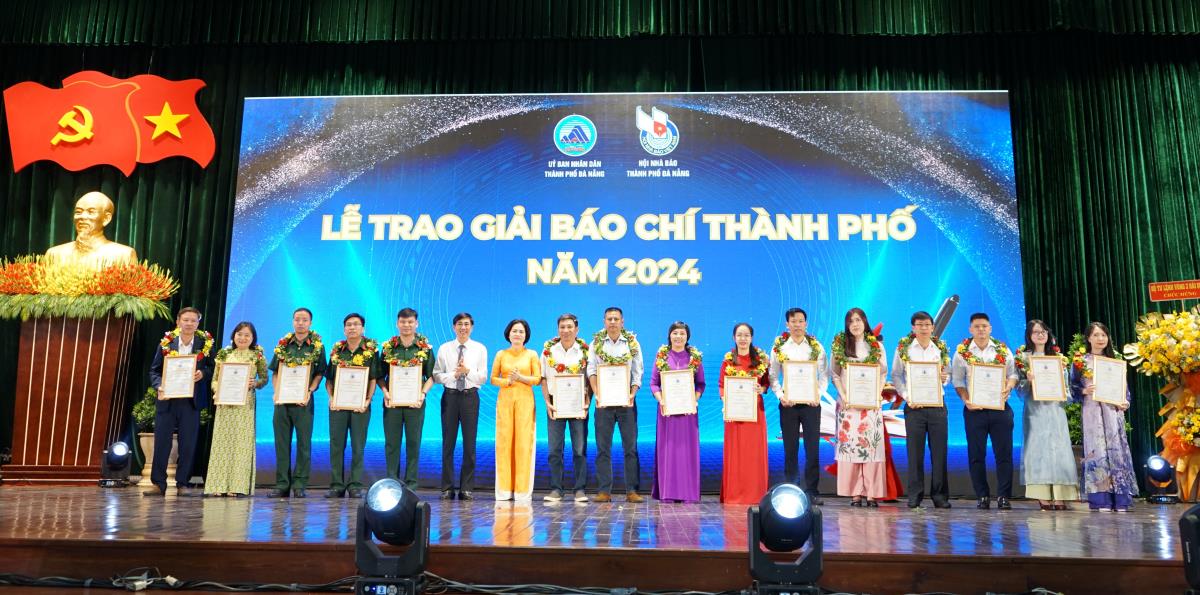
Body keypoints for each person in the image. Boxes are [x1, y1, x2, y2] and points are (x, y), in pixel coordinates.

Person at [144, 306, 215, 497]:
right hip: (167, 399)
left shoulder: (204, 344)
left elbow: (212, 368)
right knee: (162, 443)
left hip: (191, 401)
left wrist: (203, 373)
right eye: (186, 320)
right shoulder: (166, 343)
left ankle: (183, 483)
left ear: (198, 323)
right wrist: (159, 385)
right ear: (178, 322)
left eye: (193, 320)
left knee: (188, 444)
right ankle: (158, 483)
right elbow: (154, 370)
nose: (189, 323)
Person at [951, 312, 1018, 510]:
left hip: (1000, 408)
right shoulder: (961, 352)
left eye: (984, 326)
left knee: (1004, 454)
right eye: (977, 326)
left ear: (990, 328)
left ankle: (1004, 496)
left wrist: (1009, 387)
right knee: (976, 455)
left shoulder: (1002, 350)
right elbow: (958, 381)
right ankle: (982, 495)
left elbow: (1013, 374)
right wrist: (966, 400)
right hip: (974, 410)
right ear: (970, 329)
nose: (981, 329)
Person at [1071, 321, 1137, 512]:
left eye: (1103, 335)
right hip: (1092, 412)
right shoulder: (1081, 361)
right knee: (1097, 451)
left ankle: (1121, 499)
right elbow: (1072, 388)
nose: (1100, 339)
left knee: (1117, 451)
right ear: (1088, 338)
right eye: (1096, 335)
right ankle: (1101, 499)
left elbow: (1124, 390)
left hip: (1112, 412)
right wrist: (1084, 390)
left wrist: (1125, 402)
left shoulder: (1114, 361)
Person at [890, 311, 951, 510]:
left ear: (932, 327)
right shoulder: (904, 349)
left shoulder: (940, 349)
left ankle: (940, 496)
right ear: (913, 328)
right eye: (919, 324)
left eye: (927, 325)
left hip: (937, 406)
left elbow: (947, 375)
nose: (923, 328)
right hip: (914, 407)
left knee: (939, 453)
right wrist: (907, 396)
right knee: (915, 453)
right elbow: (896, 375)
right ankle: (915, 496)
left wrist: (945, 379)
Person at [1016, 320, 1079, 511]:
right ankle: (1042, 495)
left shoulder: (1058, 358)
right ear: (1029, 336)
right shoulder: (1023, 359)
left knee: (1059, 450)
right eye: (1035, 332)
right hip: (1035, 411)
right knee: (1037, 450)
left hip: (1055, 409)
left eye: (1043, 331)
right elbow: (1019, 391)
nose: (1040, 335)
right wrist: (1027, 381)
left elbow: (1067, 390)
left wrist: (1063, 392)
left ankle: (1061, 496)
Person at [768, 307, 827, 503]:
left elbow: (824, 375)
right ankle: (792, 490)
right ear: (787, 324)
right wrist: (780, 395)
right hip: (789, 405)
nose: (797, 325)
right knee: (790, 449)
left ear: (806, 323)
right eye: (793, 321)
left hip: (811, 404)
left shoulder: (816, 347)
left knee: (812, 449)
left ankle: (812, 492)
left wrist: (818, 395)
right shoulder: (779, 347)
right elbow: (773, 376)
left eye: (801, 321)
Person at [831, 308, 888, 507]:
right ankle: (854, 493)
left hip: (870, 405)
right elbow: (835, 374)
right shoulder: (840, 346)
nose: (855, 324)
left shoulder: (876, 346)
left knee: (871, 446)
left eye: (858, 320)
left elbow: (882, 373)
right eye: (851, 321)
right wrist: (844, 395)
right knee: (851, 446)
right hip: (847, 405)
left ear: (865, 322)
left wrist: (877, 394)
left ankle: (872, 493)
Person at [587, 307, 645, 503]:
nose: (612, 322)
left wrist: (632, 394)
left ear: (622, 322)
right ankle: (604, 491)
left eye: (616, 319)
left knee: (630, 448)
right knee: (603, 448)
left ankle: (632, 491)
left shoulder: (632, 342)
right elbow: (591, 370)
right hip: (603, 402)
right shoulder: (595, 343)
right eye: (609, 319)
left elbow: (637, 371)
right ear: (604, 321)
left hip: (626, 401)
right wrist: (597, 394)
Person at [205, 322, 269, 497]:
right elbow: (214, 380)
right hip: (225, 404)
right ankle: (218, 485)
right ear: (233, 336)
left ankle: (237, 485)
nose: (243, 338)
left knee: (241, 444)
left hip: (245, 404)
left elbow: (264, 379)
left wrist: (255, 383)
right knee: (222, 443)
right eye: (239, 334)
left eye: (247, 335)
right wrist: (218, 390)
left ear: (253, 338)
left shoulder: (257, 356)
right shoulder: (224, 354)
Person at [268, 307, 326, 498]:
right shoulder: (283, 344)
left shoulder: (317, 346)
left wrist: (310, 391)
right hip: (282, 401)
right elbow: (276, 372)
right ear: (293, 321)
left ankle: (300, 484)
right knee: (281, 443)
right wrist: (276, 392)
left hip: (303, 401)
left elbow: (320, 373)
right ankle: (282, 484)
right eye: (297, 319)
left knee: (304, 444)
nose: (300, 323)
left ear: (310, 323)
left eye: (304, 320)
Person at [434, 312, 488, 500]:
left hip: (469, 397)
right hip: (450, 397)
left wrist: (467, 371)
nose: (463, 327)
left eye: (466, 324)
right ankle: (447, 487)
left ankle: (467, 488)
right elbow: (436, 375)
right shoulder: (444, 348)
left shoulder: (480, 348)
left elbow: (482, 377)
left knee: (469, 444)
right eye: (459, 324)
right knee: (448, 443)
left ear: (471, 327)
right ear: (453, 327)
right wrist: (453, 375)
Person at [379, 308, 435, 490]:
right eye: (403, 322)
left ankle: (411, 483)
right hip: (392, 403)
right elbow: (379, 375)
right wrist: (385, 392)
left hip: (415, 403)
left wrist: (423, 393)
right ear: (397, 323)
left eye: (410, 322)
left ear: (416, 324)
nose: (406, 325)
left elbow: (432, 376)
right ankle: (392, 482)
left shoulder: (425, 348)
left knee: (413, 442)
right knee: (391, 443)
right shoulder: (388, 348)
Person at [324, 313, 379, 499]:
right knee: (336, 445)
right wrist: (331, 398)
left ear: (363, 328)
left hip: (360, 407)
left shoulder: (371, 351)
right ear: (344, 329)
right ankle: (336, 485)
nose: (352, 327)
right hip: (338, 406)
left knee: (358, 446)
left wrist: (367, 400)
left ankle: (355, 484)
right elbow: (329, 379)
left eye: (356, 324)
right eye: (348, 325)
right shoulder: (337, 351)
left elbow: (373, 378)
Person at [650, 321, 705, 503]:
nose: (678, 336)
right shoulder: (662, 356)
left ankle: (688, 493)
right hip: (667, 412)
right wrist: (661, 400)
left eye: (682, 333)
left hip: (688, 413)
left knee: (686, 452)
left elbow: (700, 384)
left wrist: (694, 399)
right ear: (669, 336)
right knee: (669, 450)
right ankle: (668, 492)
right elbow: (654, 383)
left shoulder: (694, 357)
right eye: (675, 333)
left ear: (687, 336)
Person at [540, 313, 591, 503]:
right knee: (554, 449)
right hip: (556, 403)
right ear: (558, 329)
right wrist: (547, 402)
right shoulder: (548, 351)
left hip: (578, 403)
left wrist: (587, 401)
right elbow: (543, 378)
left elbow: (591, 378)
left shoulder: (585, 351)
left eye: (570, 327)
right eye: (562, 327)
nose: (566, 330)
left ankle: (580, 489)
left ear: (577, 330)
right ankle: (556, 489)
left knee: (579, 449)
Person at [491, 319, 542, 501]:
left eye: (521, 331)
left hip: (525, 402)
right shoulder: (501, 354)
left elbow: (537, 379)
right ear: (508, 333)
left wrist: (520, 378)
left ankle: (522, 491)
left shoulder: (532, 354)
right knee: (504, 443)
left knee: (523, 444)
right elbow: (493, 379)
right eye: (514, 331)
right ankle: (504, 490)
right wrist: (508, 381)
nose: (518, 334)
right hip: (505, 401)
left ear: (526, 335)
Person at [719, 322, 770, 505]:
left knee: (753, 454)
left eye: (746, 335)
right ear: (734, 337)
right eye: (739, 335)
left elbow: (766, 383)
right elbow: (722, 385)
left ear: (751, 338)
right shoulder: (728, 361)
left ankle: (755, 494)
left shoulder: (761, 360)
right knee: (736, 454)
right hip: (734, 414)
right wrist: (726, 402)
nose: (743, 338)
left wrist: (762, 389)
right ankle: (734, 494)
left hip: (755, 412)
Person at [45, 191, 138, 268]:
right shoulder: (54, 254)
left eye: (91, 212)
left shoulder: (124, 255)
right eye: (78, 212)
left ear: (106, 219)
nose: (82, 217)